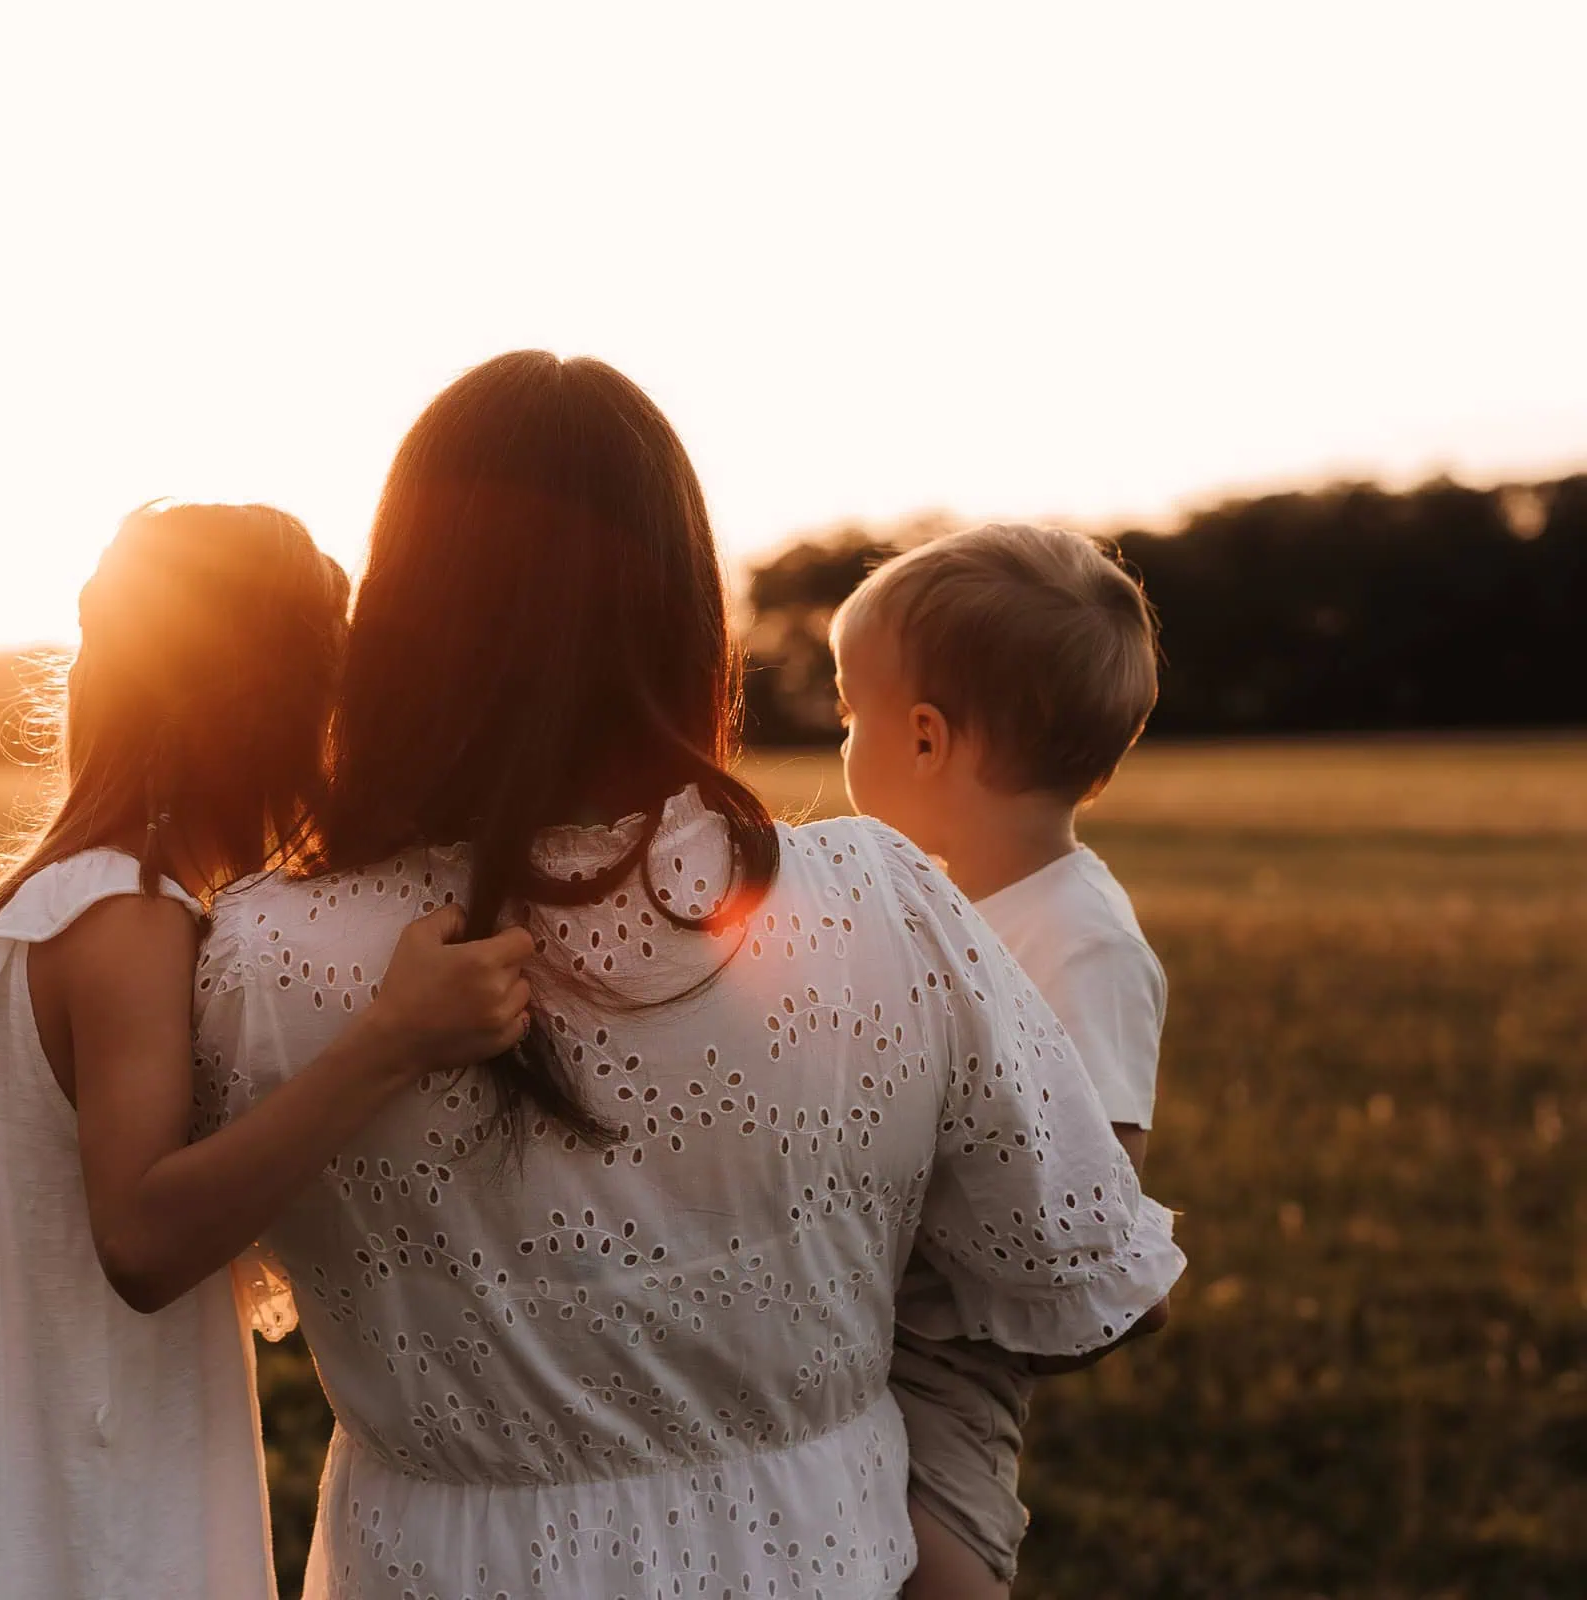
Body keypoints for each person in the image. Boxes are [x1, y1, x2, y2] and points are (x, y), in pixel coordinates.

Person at [191, 353, 1186, 1599]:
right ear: (684, 613)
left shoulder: (265, 953)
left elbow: (155, 1275)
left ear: (399, 615)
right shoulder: (882, 897)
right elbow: (1093, 1287)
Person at [0, 502, 537, 1600]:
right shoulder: (125, 914)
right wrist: (392, 1041)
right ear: (270, 710)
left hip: (40, 1477)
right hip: (87, 1510)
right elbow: (140, 1236)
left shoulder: (71, 895)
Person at [830, 522, 1167, 1599]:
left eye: (848, 712)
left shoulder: (1080, 937)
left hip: (945, 1359)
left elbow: (1091, 1207)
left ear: (925, 740)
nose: (841, 739)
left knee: (931, 1569)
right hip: (852, 1314)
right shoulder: (923, 903)